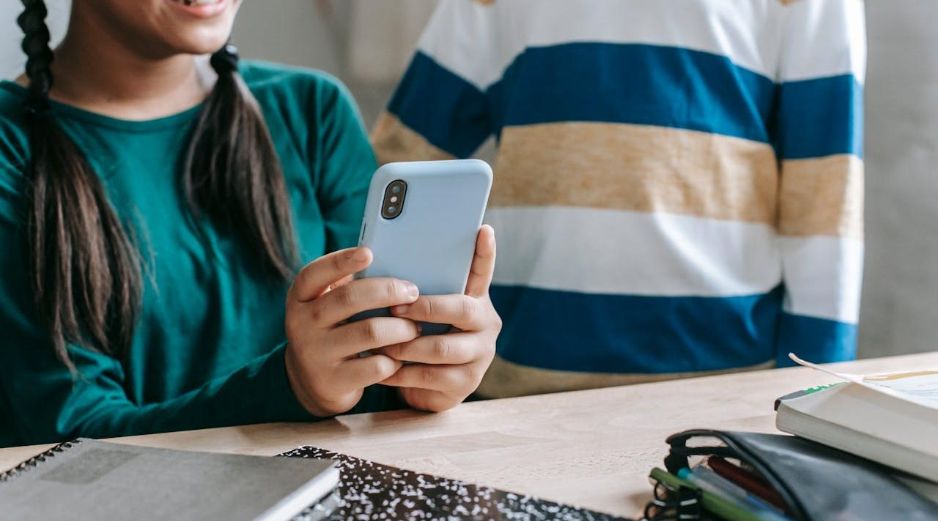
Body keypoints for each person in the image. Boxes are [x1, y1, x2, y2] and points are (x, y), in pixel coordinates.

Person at [0, 0, 501, 447]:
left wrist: (419, 380)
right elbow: (70, 437)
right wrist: (292, 387)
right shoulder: (11, 144)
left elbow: (371, 382)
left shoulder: (313, 111)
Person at [372, 0, 865, 397]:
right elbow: (400, 166)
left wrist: (815, 395)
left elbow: (824, 196)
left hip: (721, 387)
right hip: (518, 382)